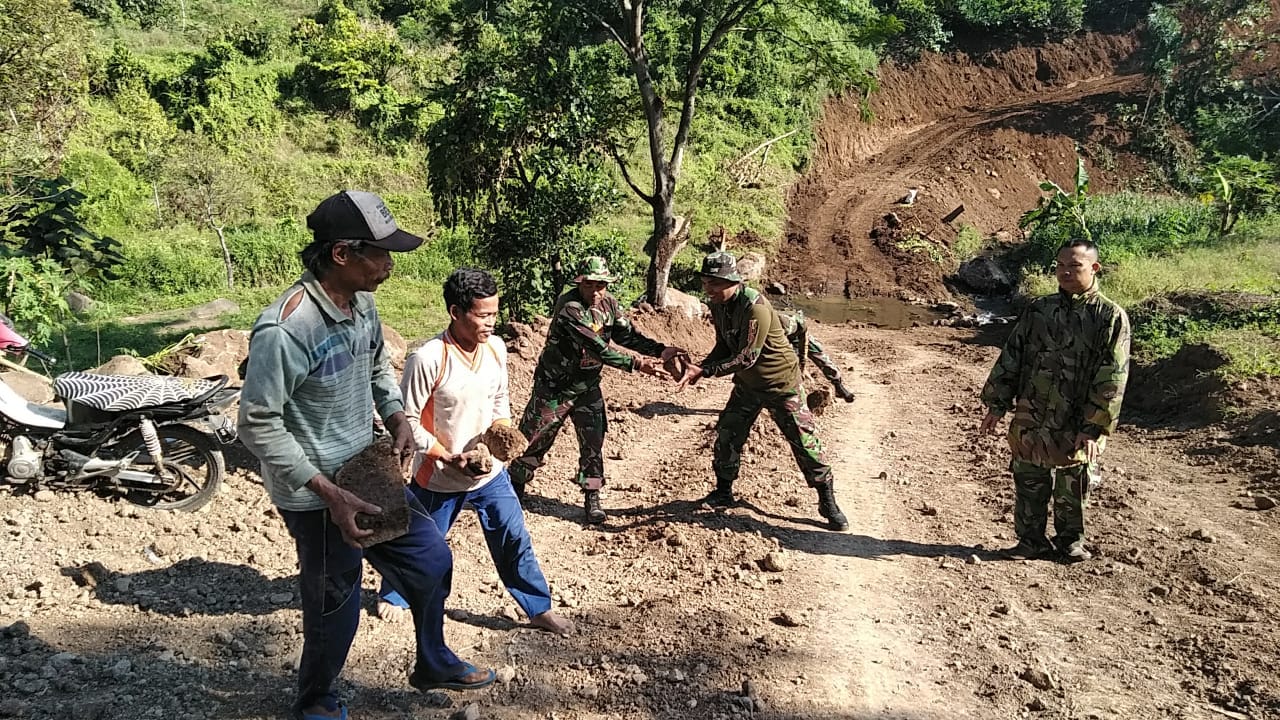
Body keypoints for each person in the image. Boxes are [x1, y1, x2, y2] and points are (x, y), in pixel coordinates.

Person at [238, 190, 494, 720]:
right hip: (316, 491)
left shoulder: (364, 305)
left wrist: (398, 417)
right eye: (378, 253)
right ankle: (317, 699)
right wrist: (329, 494)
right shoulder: (287, 329)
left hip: (366, 468)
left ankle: (432, 659)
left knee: (430, 561)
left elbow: (377, 369)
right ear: (341, 255)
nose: (389, 264)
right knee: (336, 600)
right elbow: (256, 422)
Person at [375, 268, 575, 637]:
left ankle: (538, 608)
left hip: (490, 473)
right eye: (482, 315)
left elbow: (499, 398)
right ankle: (396, 592)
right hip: (439, 475)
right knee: (422, 544)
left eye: (494, 314)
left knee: (513, 536)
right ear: (456, 312)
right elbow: (407, 421)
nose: (490, 323)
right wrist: (445, 455)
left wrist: (502, 429)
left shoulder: (495, 348)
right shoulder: (429, 359)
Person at [979, 239, 1130, 563]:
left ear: (1094, 268)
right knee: (1029, 476)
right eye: (1060, 265)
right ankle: (1029, 541)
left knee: (1073, 482)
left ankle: (1070, 543)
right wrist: (997, 404)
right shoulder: (1039, 310)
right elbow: (1013, 356)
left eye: (1074, 265)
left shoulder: (1109, 317)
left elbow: (1113, 376)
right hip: (1033, 413)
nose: (1065, 272)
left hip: (1075, 417)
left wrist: (1094, 425)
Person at [675, 251, 849, 531]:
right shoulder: (719, 305)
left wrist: (705, 372)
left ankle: (827, 500)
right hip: (748, 385)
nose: (709, 289)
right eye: (706, 283)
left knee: (805, 443)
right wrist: (698, 367)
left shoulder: (755, 306)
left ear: (733, 281)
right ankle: (723, 491)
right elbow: (724, 346)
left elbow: (746, 357)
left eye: (715, 283)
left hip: (781, 384)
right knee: (728, 433)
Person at [508, 256, 685, 524]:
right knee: (535, 437)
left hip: (587, 386)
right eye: (590, 285)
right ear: (580, 283)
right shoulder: (569, 307)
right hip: (555, 386)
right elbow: (598, 348)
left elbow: (627, 336)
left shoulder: (609, 304)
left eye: (601, 285)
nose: (596, 291)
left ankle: (592, 495)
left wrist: (660, 350)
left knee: (593, 441)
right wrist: (638, 364)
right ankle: (515, 487)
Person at [777, 310, 856, 403]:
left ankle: (838, 385)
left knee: (818, 353)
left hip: (798, 333)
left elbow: (803, 346)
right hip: (782, 336)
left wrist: (802, 366)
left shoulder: (796, 323)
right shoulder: (767, 325)